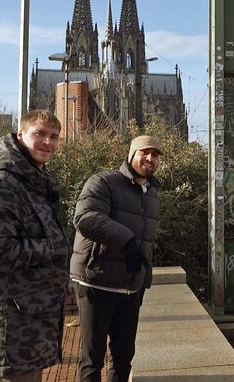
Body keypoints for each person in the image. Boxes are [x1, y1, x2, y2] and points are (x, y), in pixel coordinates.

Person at [0, 110, 69, 382]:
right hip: (12, 325)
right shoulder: (3, 181)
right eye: (39, 134)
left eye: (54, 137)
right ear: (20, 135)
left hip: (29, 319)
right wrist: (51, 248)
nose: (48, 142)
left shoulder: (33, 180)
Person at [71, 135, 163, 382]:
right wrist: (127, 240)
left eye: (155, 155)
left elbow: (146, 241)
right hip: (96, 281)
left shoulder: (152, 194)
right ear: (131, 154)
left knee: (124, 358)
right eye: (145, 152)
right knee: (92, 358)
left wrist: (144, 279)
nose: (150, 158)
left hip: (131, 288)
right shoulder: (103, 182)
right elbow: (85, 218)